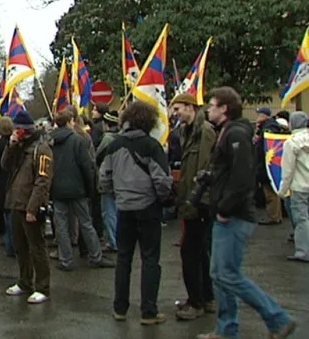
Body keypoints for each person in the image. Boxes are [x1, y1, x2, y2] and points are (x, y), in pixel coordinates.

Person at [197, 87, 296, 339]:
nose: (208, 109)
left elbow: (242, 178)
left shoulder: (236, 133)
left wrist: (225, 208)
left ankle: (278, 319)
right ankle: (226, 329)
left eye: (212, 104)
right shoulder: (229, 132)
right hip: (229, 213)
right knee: (220, 275)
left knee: (226, 274)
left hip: (234, 216)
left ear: (224, 108)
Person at [99, 101, 173, 326]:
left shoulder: (114, 145)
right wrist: (163, 199)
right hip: (148, 208)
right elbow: (161, 179)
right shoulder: (152, 146)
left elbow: (104, 177)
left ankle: (120, 308)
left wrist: (118, 194)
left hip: (124, 208)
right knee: (150, 260)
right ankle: (148, 311)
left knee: (123, 258)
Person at [170, 93, 218, 320]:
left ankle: (196, 302)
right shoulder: (187, 131)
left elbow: (206, 168)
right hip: (191, 199)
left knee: (190, 252)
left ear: (190, 107)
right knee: (199, 252)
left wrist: (200, 201)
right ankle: (207, 297)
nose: (175, 114)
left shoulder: (204, 131)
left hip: (199, 202)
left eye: (178, 109)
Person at [49, 109, 114, 271]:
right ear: (70, 121)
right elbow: (87, 166)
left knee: (62, 226)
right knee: (86, 223)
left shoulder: (50, 141)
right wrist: (90, 189)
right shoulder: (78, 140)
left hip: (57, 188)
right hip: (77, 188)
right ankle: (95, 256)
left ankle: (65, 259)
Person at [2, 110, 53, 304]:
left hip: (30, 204)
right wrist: (11, 146)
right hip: (16, 201)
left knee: (36, 247)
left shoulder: (41, 149)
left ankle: (43, 286)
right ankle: (24, 281)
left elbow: (42, 181)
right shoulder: (19, 147)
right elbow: (5, 165)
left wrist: (33, 207)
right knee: (20, 246)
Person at [279, 111, 309, 262]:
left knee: (301, 220)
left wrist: (282, 190)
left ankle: (303, 252)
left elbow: (288, 170)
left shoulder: (291, 143)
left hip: (300, 187)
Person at [254, 107, 287, 225]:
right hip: (265, 163)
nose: (257, 117)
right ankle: (275, 215)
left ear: (264, 115)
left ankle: (274, 216)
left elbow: (267, 147)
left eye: (259, 114)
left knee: (270, 193)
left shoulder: (269, 128)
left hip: (267, 163)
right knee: (269, 191)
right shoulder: (267, 127)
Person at [95, 110, 120, 253]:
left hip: (107, 179)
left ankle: (113, 241)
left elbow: (98, 157)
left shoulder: (107, 139)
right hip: (120, 179)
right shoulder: (122, 137)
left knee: (108, 211)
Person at [0, 116, 14, 257]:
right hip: (14, 179)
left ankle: (9, 244)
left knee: (6, 213)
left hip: (2, 179)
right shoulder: (16, 143)